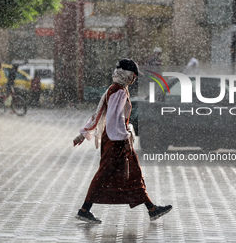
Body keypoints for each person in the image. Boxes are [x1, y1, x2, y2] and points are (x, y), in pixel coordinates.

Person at [73, 59, 172, 223]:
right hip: (117, 140)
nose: (134, 79)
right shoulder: (119, 92)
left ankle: (152, 209)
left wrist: (84, 133)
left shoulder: (114, 89)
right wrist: (124, 137)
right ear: (127, 75)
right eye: (133, 76)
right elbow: (114, 118)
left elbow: (99, 113)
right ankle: (84, 210)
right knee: (104, 174)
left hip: (115, 138)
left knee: (134, 173)